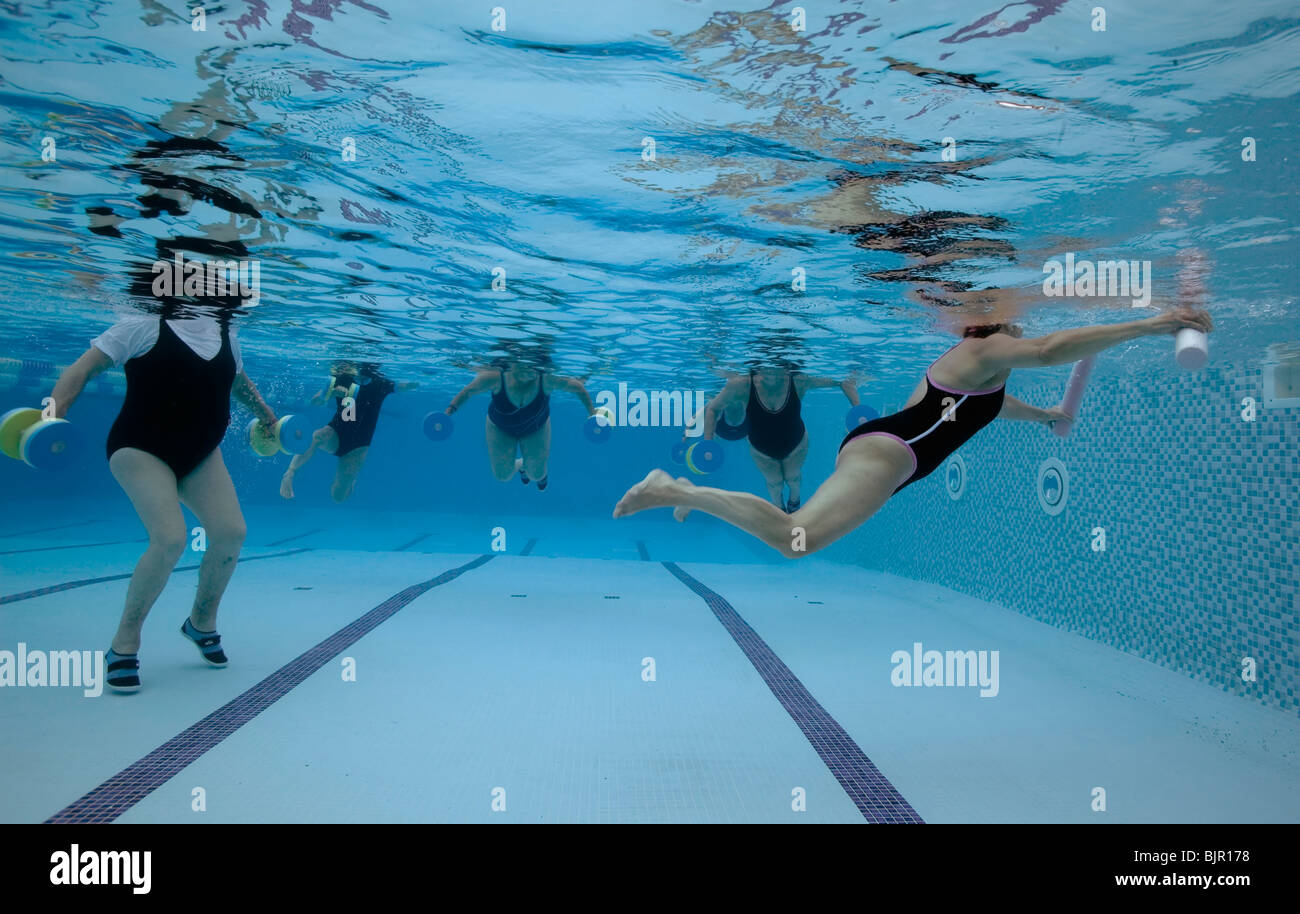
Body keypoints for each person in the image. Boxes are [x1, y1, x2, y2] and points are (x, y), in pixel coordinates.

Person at [614, 309, 1213, 557]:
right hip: (891, 454)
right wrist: (1157, 324)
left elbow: (983, 412)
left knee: (799, 536)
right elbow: (1054, 350)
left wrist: (1045, 418)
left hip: (889, 447)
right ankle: (676, 489)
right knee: (799, 539)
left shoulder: (984, 374)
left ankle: (682, 491)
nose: (1026, 334)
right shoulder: (988, 346)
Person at [49, 305, 279, 692]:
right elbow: (80, 370)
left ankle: (201, 623)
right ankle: (124, 644)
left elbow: (238, 382)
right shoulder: (141, 324)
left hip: (201, 454)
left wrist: (269, 417)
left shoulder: (227, 332)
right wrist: (49, 421)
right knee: (170, 538)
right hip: (140, 447)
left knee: (230, 533)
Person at [694, 367, 861, 512]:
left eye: (777, 367)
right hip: (761, 450)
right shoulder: (741, 384)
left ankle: (794, 501)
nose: (771, 372)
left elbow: (841, 382)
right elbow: (713, 409)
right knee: (775, 483)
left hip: (796, 444)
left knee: (793, 477)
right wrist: (708, 443)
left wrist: (857, 407)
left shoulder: (798, 380)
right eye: (765, 367)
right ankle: (778, 509)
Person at [444, 361, 596, 490]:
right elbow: (468, 391)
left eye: (532, 368)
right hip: (499, 427)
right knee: (502, 476)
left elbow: (578, 388)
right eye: (523, 367)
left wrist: (592, 413)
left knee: (536, 474)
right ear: (512, 363)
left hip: (536, 427)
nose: (528, 371)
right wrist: (449, 412)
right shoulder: (494, 377)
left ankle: (529, 467)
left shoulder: (547, 379)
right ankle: (523, 464)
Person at [279, 362, 417, 503]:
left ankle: (350, 481)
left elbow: (403, 386)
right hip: (336, 434)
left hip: (357, 447)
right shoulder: (342, 378)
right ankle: (290, 473)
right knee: (317, 436)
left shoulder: (379, 383)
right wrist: (328, 396)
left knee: (338, 495)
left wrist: (417, 379)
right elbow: (317, 400)